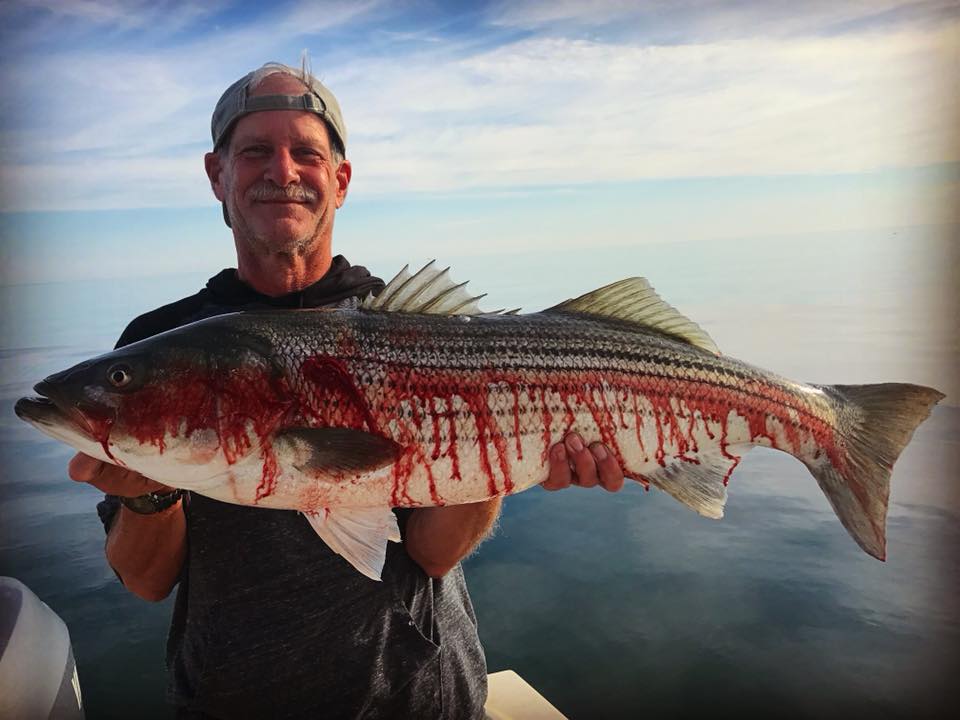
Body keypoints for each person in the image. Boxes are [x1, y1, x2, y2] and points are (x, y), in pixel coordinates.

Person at [67, 61, 625, 719]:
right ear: (218, 174)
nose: (282, 171)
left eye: (306, 152)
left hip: (423, 698)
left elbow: (432, 554)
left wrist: (503, 449)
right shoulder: (160, 342)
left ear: (341, 178)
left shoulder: (416, 329)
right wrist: (152, 494)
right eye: (254, 152)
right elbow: (146, 579)